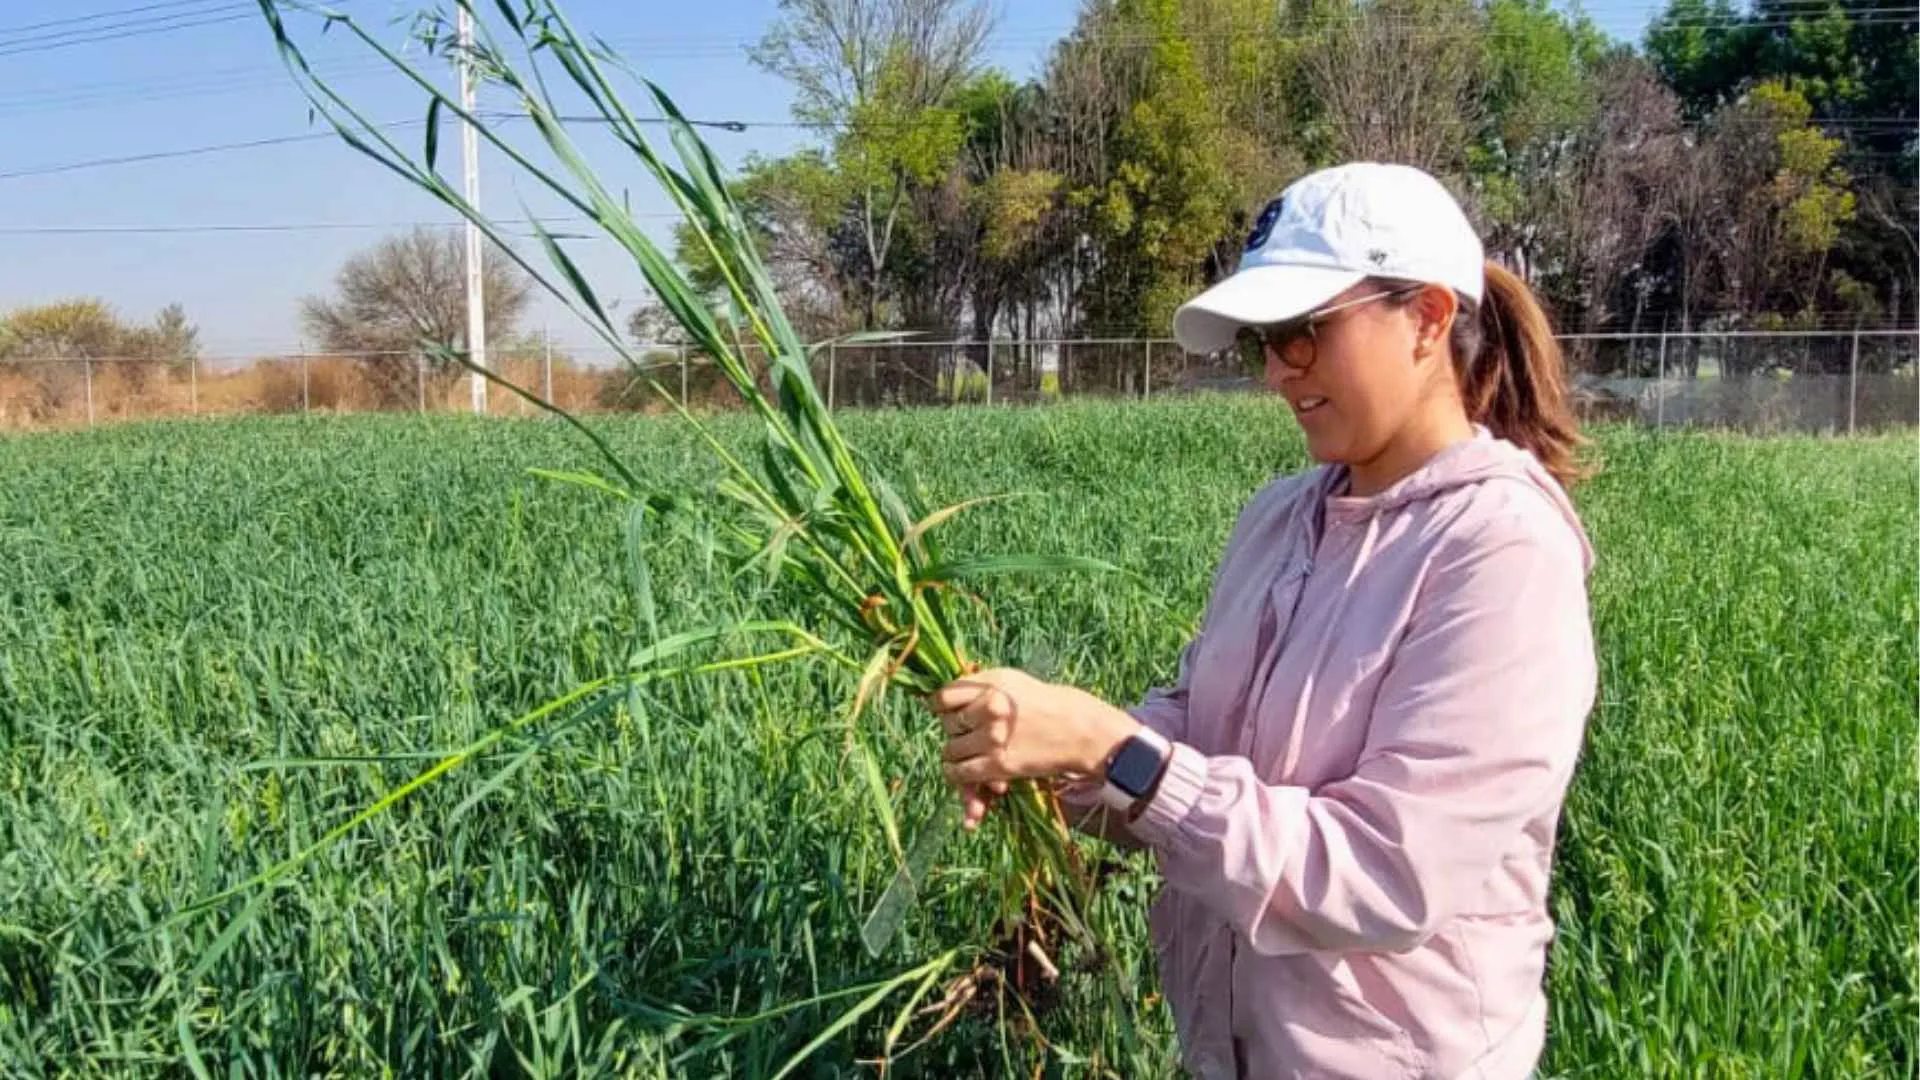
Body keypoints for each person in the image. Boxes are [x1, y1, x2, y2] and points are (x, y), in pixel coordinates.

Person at [928, 162, 1598, 1079]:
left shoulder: (1500, 548)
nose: (1280, 371)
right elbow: (1199, 722)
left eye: (1305, 334)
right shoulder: (1282, 516)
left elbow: (1385, 873)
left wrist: (1114, 751)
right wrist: (1059, 763)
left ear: (1430, 319)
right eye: (1265, 342)